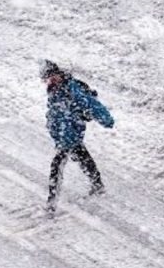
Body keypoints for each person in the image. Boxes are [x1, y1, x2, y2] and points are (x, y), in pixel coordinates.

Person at [41, 60, 114, 210]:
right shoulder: (55, 91)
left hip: (70, 135)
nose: (51, 81)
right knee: (83, 158)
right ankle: (97, 184)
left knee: (57, 166)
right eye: (48, 79)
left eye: (53, 77)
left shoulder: (72, 90)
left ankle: (51, 202)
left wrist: (106, 120)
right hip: (65, 136)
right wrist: (54, 131)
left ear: (60, 74)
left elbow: (92, 105)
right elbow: (54, 115)